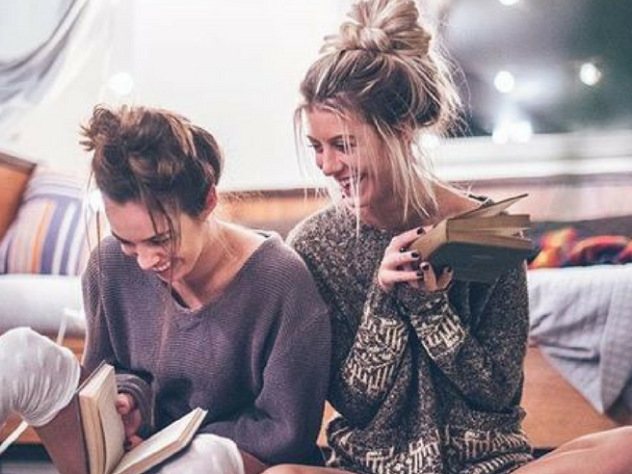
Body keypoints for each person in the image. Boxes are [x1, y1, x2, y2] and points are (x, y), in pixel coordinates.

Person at [263, 0, 632, 474]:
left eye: (344, 145)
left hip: (486, 466)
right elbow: (353, 401)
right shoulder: (316, 243)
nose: (328, 166)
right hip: (370, 468)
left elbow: (496, 391)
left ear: (400, 131)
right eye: (317, 147)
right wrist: (385, 301)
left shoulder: (486, 229)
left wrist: (431, 308)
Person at [0, 105, 331, 474]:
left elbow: (286, 433)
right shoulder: (108, 264)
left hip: (220, 459)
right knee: (18, 353)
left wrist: (176, 447)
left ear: (207, 202)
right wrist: (129, 400)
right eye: (127, 242)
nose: (144, 261)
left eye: (160, 240)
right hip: (131, 451)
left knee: (205, 457)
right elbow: (103, 376)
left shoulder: (281, 280)